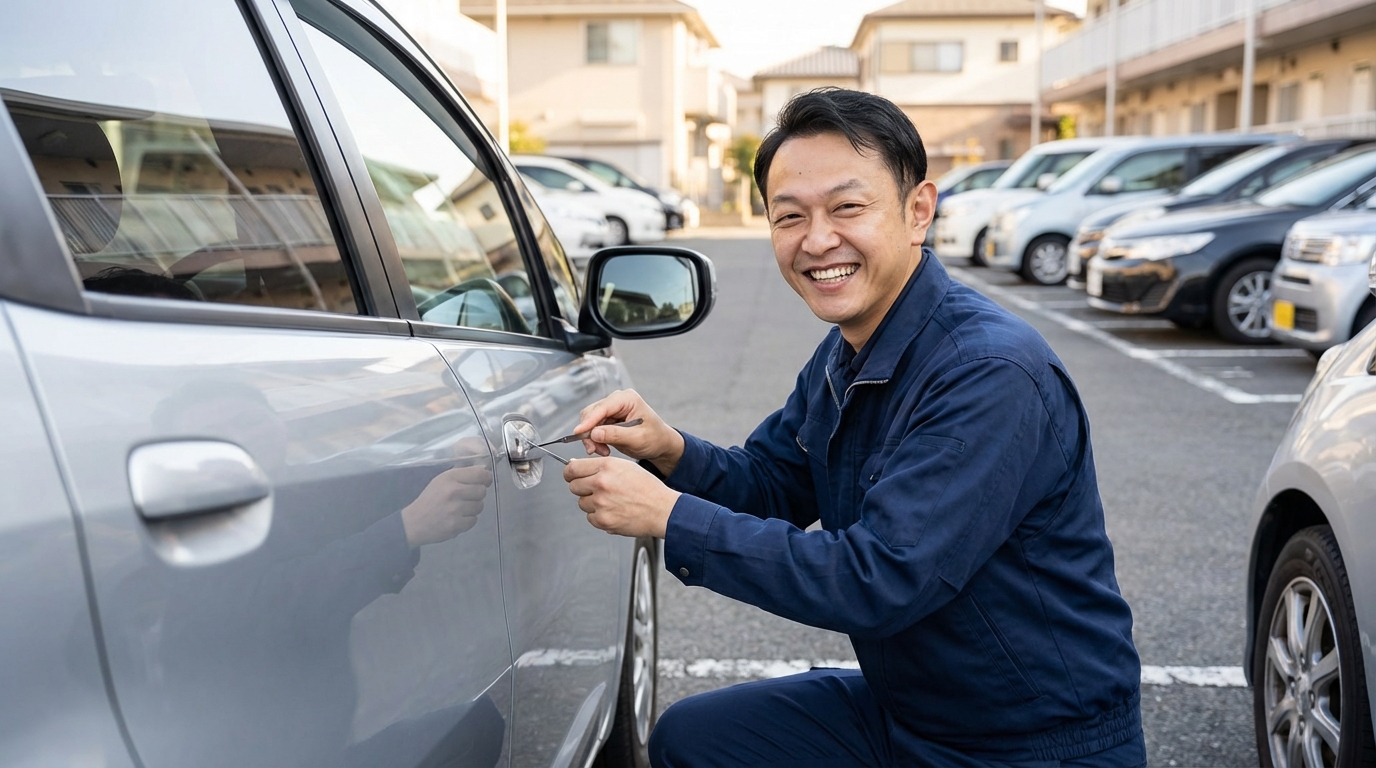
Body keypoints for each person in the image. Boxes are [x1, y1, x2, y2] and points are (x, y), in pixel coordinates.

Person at [562, 88, 1144, 767]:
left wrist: (670, 516)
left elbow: (880, 579)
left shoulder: (989, 371)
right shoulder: (852, 349)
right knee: (696, 739)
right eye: (790, 217)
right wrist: (670, 448)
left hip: (1032, 744)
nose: (816, 241)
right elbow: (775, 482)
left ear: (917, 211)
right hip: (911, 714)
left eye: (847, 207)